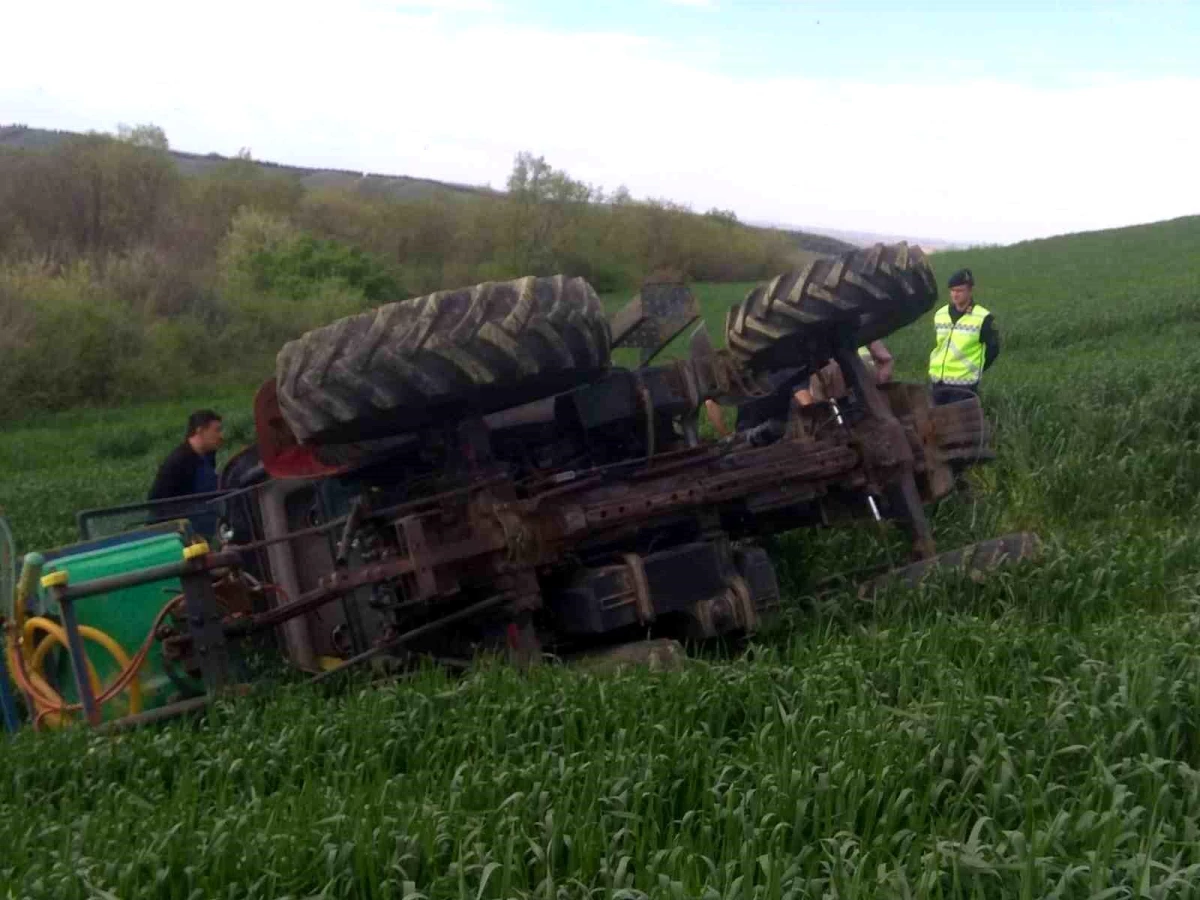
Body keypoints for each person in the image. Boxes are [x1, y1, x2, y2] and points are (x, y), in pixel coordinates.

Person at [928, 268, 1000, 405]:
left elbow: (993, 350)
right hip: (938, 381)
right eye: (953, 290)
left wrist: (976, 369)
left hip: (963, 385)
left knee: (958, 425)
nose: (955, 295)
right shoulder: (940, 314)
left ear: (970, 291)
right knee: (937, 423)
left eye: (960, 291)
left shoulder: (983, 317)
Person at [148, 410, 225, 501]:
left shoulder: (209, 455)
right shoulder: (178, 462)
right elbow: (156, 503)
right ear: (200, 431)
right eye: (217, 430)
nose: (221, 436)